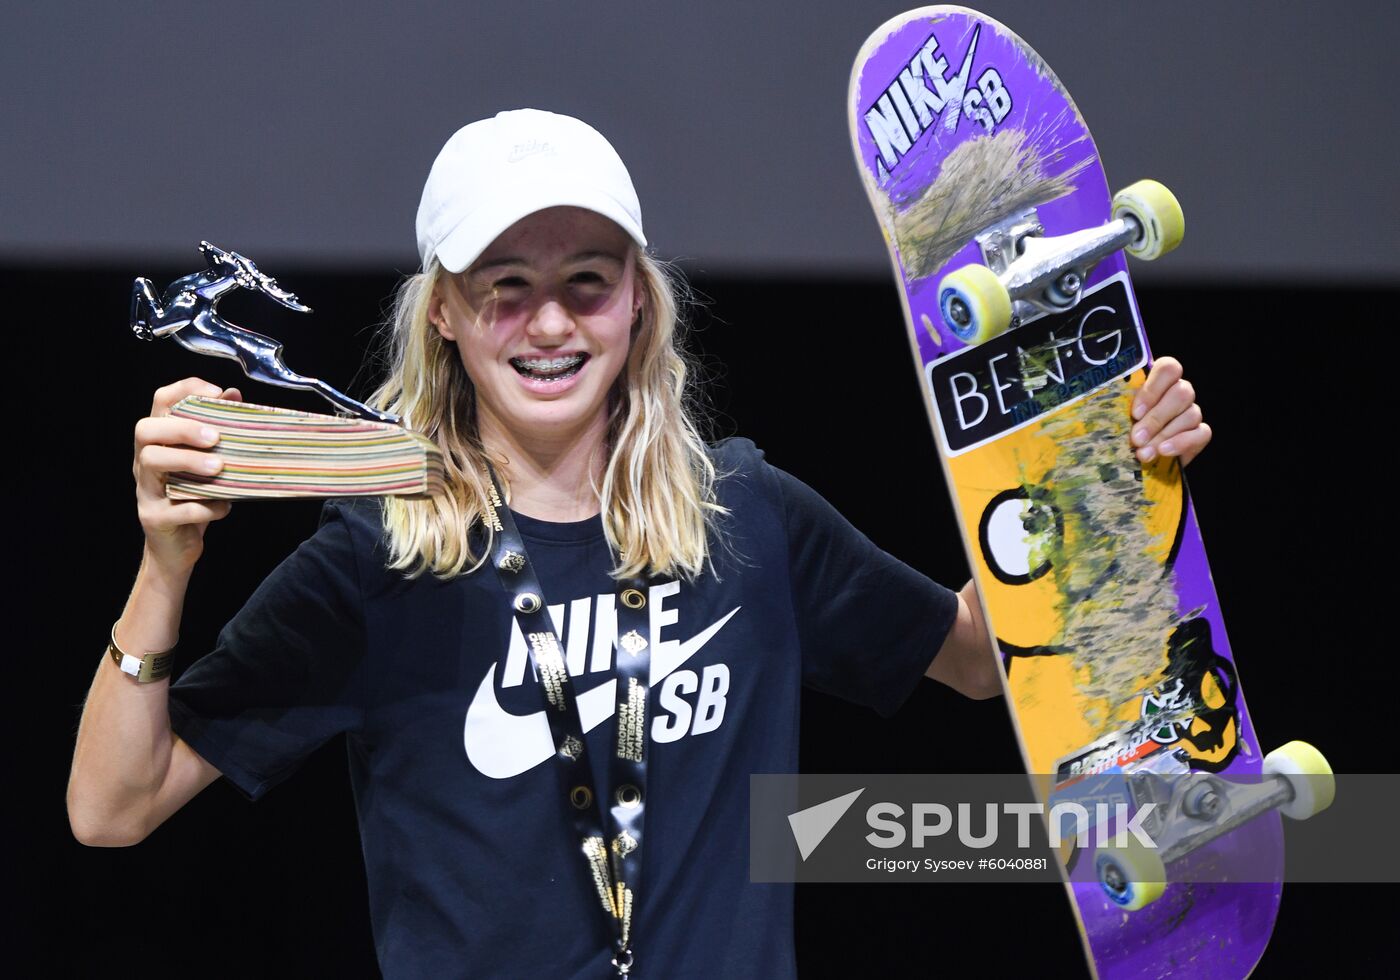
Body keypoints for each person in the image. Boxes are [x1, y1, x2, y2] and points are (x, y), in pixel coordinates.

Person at [67, 109, 1212, 977]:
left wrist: (1106, 479)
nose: (552, 322)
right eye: (506, 289)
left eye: (586, 282)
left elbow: (978, 657)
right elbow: (110, 809)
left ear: (638, 306)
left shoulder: (744, 513)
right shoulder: (380, 555)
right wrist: (162, 569)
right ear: (445, 317)